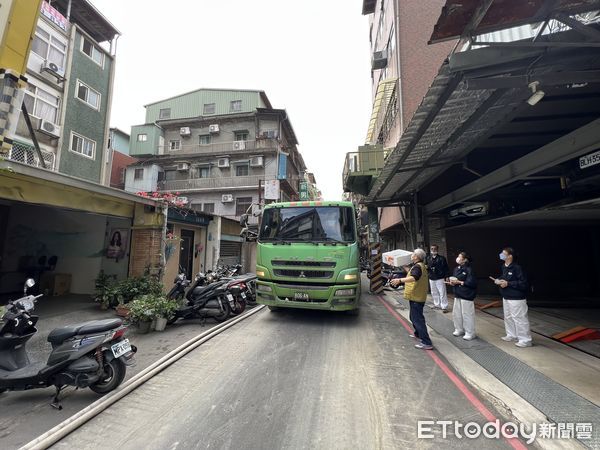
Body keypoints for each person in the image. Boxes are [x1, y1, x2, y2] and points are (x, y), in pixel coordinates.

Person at [390, 248, 432, 350]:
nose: (411, 255)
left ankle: (426, 342)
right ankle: (418, 334)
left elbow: (414, 277)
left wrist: (399, 280)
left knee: (417, 319)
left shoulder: (418, 267)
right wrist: (403, 266)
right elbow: (411, 273)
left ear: (417, 257)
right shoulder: (418, 266)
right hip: (416, 296)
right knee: (413, 317)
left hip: (417, 296)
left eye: (413, 254)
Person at [490, 247, 532, 348]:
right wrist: (498, 280)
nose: (501, 254)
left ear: (510, 256)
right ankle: (511, 334)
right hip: (506, 296)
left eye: (503, 253)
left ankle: (525, 340)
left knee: (519, 318)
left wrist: (508, 283)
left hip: (517, 298)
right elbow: (504, 277)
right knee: (508, 317)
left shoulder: (518, 268)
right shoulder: (504, 266)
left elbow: (523, 283)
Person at [449, 251, 477, 340]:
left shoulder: (469, 269)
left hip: (467, 294)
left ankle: (470, 332)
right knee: (456, 313)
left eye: (459, 257)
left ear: (465, 260)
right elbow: (454, 278)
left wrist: (460, 282)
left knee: (467, 314)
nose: (457, 258)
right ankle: (459, 329)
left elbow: (472, 283)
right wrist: (452, 282)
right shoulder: (456, 268)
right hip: (458, 293)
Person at [426, 244, 450, 312]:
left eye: (435, 249)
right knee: (434, 292)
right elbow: (426, 266)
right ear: (430, 250)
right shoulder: (428, 258)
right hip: (431, 277)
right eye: (432, 249)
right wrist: (427, 268)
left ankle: (444, 306)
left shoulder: (442, 258)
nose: (433, 250)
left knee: (442, 292)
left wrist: (447, 276)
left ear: (437, 249)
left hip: (440, 277)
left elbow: (446, 268)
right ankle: (437, 304)